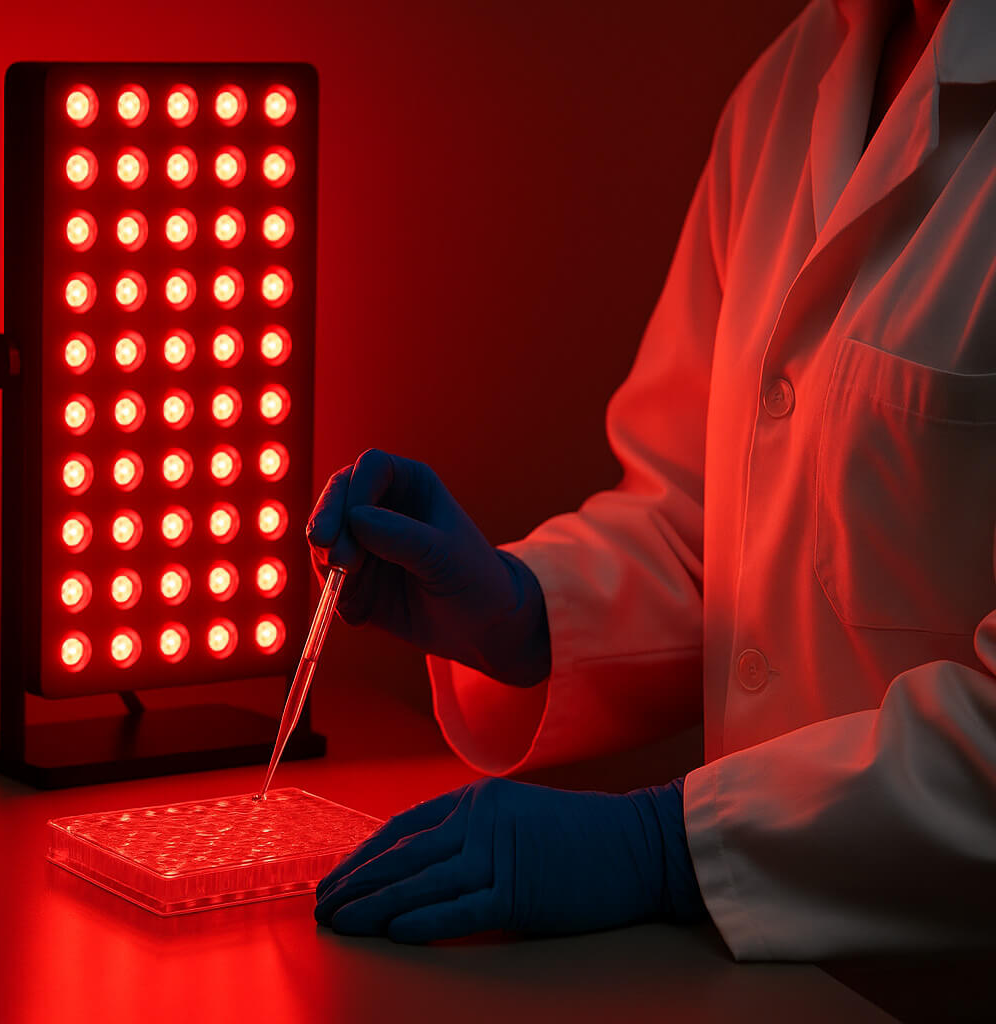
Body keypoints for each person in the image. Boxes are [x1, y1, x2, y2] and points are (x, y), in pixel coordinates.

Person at [308, 0, 996, 960]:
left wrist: (668, 847)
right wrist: (525, 613)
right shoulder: (801, 75)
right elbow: (705, 527)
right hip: (753, 982)